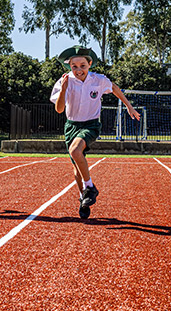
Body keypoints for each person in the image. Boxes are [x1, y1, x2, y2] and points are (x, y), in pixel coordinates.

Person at [50, 45, 140, 219]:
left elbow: (114, 88)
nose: (78, 70)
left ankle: (90, 187)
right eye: (74, 66)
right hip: (71, 126)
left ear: (89, 64)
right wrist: (63, 89)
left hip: (90, 125)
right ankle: (84, 197)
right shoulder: (64, 81)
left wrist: (128, 106)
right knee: (76, 168)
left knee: (75, 151)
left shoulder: (98, 80)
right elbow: (59, 109)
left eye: (82, 66)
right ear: (69, 66)